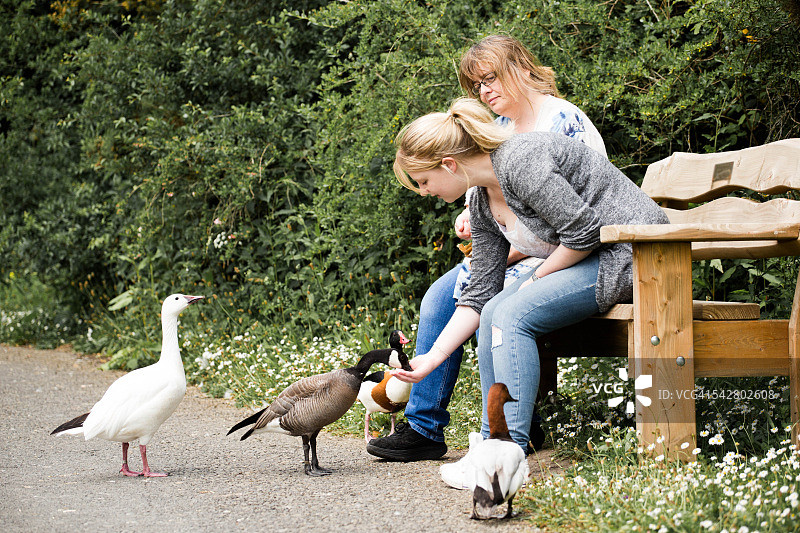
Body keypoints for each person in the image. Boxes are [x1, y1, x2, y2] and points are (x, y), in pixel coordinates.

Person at [370, 97, 668, 474]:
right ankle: (488, 446)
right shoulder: (481, 198)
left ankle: (506, 455)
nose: (424, 191)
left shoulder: (521, 161)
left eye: (424, 181)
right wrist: (431, 358)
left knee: (512, 314)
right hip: (593, 252)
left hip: (633, 254)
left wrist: (535, 280)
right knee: (495, 309)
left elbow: (584, 232)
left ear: (449, 164)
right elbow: (480, 293)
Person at [366, 35, 608, 462]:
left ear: (522, 67)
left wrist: (523, 263)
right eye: (476, 85)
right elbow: (483, 199)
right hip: (524, 250)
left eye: (491, 77)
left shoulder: (563, 122)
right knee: (443, 296)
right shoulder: (496, 132)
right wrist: (478, 227)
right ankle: (427, 426)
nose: (484, 90)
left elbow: (585, 215)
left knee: (493, 304)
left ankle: (505, 433)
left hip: (574, 252)